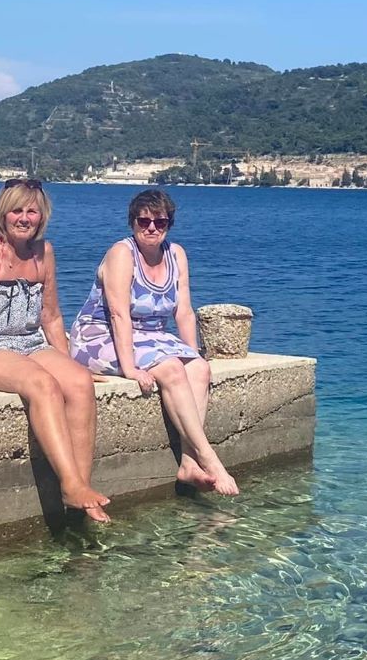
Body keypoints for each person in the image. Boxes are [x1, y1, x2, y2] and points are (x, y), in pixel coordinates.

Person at [0, 179, 111, 522]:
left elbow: (51, 316)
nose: (24, 218)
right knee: (43, 385)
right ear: (3, 213)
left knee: (78, 382)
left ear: (42, 215)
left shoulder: (44, 252)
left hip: (30, 343)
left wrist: (68, 363)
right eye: (16, 210)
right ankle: (70, 485)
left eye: (31, 211)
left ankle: (82, 489)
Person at [69, 189, 240, 496]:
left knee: (198, 370)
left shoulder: (176, 255)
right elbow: (119, 314)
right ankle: (209, 458)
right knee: (172, 369)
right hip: (100, 335)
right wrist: (130, 368)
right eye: (143, 221)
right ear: (132, 222)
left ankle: (188, 463)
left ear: (168, 224)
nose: (150, 228)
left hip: (151, 337)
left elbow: (184, 311)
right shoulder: (122, 254)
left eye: (159, 222)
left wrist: (194, 353)